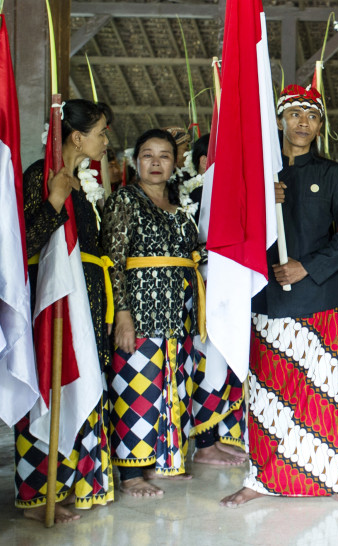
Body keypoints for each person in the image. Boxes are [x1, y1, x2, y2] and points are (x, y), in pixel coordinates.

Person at [220, 84, 338, 507]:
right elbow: (232, 229)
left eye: (312, 116)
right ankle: (261, 479)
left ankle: (337, 475)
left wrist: (308, 266)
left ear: (320, 126)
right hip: (267, 297)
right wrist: (262, 201)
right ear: (279, 119)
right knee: (267, 393)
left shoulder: (334, 174)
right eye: (296, 114)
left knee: (323, 390)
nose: (304, 122)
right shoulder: (258, 175)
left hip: (319, 296)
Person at [16, 100, 114, 523]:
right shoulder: (43, 176)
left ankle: (77, 483)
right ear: (77, 136)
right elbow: (25, 243)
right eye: (101, 132)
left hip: (88, 302)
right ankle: (42, 496)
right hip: (53, 303)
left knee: (84, 384)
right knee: (51, 385)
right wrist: (55, 201)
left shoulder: (83, 181)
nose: (106, 142)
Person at [102, 128, 204, 498]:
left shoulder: (179, 210)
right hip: (140, 313)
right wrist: (122, 314)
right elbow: (113, 261)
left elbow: (198, 256)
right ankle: (131, 474)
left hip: (179, 316)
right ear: (135, 161)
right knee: (136, 391)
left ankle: (163, 462)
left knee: (170, 390)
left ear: (175, 163)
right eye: (148, 155)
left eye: (164, 155)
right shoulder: (125, 201)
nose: (156, 162)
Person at [185, 133, 248, 467]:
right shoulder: (192, 197)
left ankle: (223, 434)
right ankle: (205, 442)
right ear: (202, 164)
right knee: (209, 364)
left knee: (230, 363)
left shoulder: (234, 195)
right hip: (204, 292)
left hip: (231, 292)